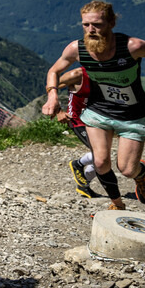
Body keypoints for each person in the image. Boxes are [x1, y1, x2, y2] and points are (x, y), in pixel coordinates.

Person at [42, 1, 145, 211]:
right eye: (86, 25)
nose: (91, 30)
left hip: (132, 116)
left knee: (126, 169)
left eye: (97, 24)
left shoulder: (133, 47)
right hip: (99, 112)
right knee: (100, 162)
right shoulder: (77, 49)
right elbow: (54, 71)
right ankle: (117, 204)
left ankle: (142, 176)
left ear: (111, 23)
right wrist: (52, 95)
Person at [52, 66, 102, 198]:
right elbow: (52, 86)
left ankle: (83, 186)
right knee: (100, 154)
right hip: (78, 121)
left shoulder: (108, 73)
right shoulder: (77, 74)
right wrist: (58, 111)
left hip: (97, 121)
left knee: (103, 158)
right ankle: (78, 164)